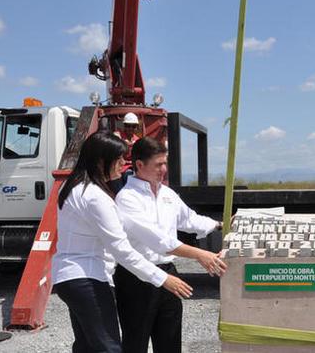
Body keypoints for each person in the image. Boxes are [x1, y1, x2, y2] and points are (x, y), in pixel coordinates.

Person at [51, 132, 193, 353]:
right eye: (118, 159)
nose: (122, 165)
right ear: (101, 161)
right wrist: (163, 279)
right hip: (88, 278)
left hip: (68, 277)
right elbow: (122, 251)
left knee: (88, 347)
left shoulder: (72, 187)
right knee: (109, 348)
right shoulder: (96, 197)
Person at [114, 137, 227, 353]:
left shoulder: (167, 194)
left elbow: (190, 220)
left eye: (165, 163)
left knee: (170, 340)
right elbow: (158, 240)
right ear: (139, 165)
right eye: (158, 164)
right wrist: (200, 255)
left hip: (168, 272)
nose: (163, 169)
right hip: (136, 277)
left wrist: (220, 224)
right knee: (135, 342)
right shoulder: (127, 198)